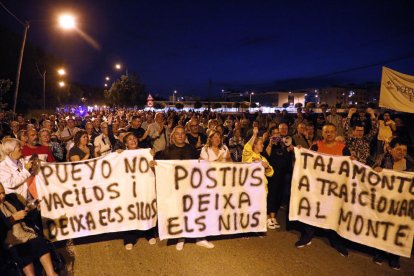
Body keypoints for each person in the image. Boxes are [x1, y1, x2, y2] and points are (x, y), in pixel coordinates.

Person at [295, 123, 351, 257]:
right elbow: (307, 161)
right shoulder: (315, 146)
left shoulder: (344, 149)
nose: (329, 134)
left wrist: (352, 161)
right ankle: (308, 235)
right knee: (311, 209)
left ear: (335, 132)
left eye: (332, 131)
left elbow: (349, 167)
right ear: (323, 133)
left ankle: (335, 240)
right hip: (317, 187)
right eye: (326, 132)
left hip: (334, 189)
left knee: (334, 212)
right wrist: (301, 152)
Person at [154, 126, 200, 251]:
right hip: (174, 188)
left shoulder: (192, 149)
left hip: (191, 187)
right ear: (173, 137)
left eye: (182, 133)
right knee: (179, 212)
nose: (180, 136)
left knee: (193, 212)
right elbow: (158, 165)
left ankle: (199, 237)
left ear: (185, 136)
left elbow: (200, 165)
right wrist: (153, 162)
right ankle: (181, 237)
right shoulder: (167, 151)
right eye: (177, 134)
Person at [372, 137, 412, 270]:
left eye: (404, 150)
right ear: (391, 149)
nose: (401, 152)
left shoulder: (410, 163)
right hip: (385, 200)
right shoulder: (382, 158)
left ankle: (395, 256)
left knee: (398, 229)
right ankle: (380, 252)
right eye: (398, 149)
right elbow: (371, 169)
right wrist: (376, 169)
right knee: (383, 226)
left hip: (402, 204)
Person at [0, 183, 57, 276]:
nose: (3, 196)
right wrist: (12, 218)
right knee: (22, 251)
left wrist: (30, 209)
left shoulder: (11, 198)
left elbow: (28, 217)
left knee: (39, 242)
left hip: (27, 233)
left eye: (3, 192)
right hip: (12, 240)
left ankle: (51, 274)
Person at [263, 125, 293, 230]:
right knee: (270, 195)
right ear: (271, 134)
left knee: (278, 196)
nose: (277, 135)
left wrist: (289, 150)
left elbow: (286, 160)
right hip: (271, 174)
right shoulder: (267, 143)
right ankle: (267, 217)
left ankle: (273, 216)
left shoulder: (283, 144)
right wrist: (271, 144)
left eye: (278, 133)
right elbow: (266, 157)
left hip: (281, 174)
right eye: (274, 133)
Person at [242, 126, 274, 193]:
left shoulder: (263, 158)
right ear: (254, 145)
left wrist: (267, 167)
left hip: (262, 191)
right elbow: (247, 148)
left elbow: (270, 173)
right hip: (251, 190)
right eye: (261, 144)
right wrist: (254, 135)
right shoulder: (248, 156)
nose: (263, 145)